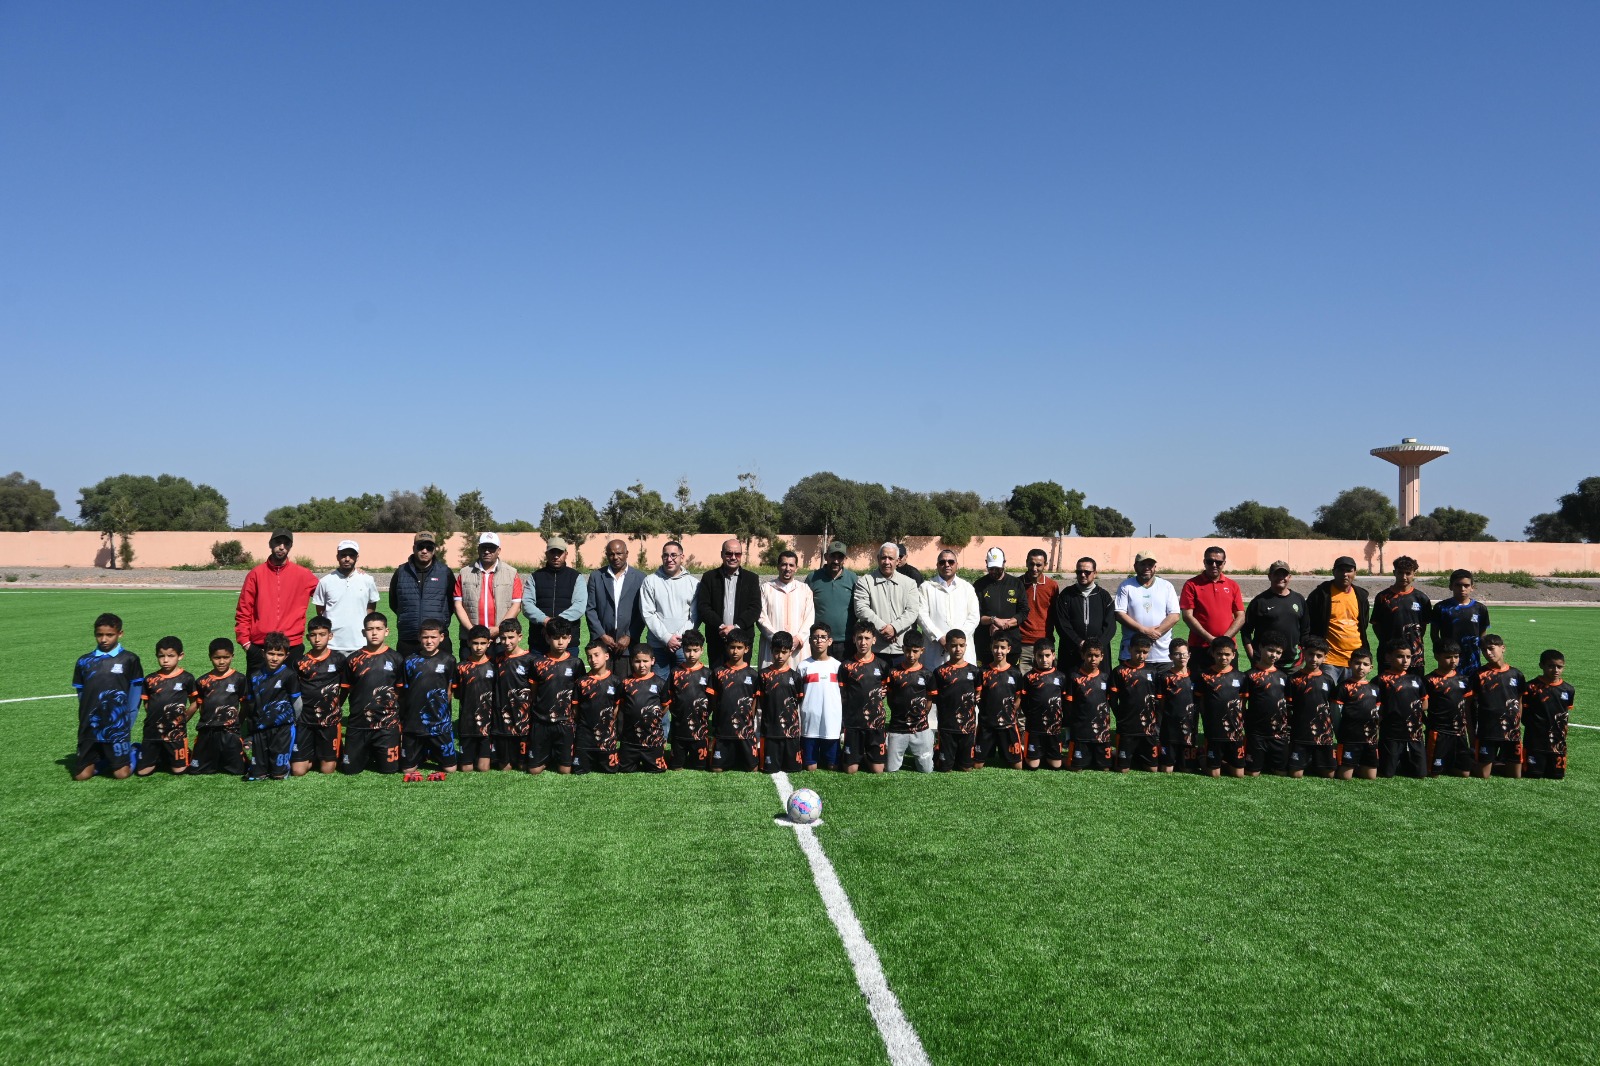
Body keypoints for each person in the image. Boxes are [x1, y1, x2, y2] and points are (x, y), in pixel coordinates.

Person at [235, 530, 318, 676]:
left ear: (290, 546)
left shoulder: (304, 574)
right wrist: (246, 643)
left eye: (286, 544)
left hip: (292, 646)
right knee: (257, 690)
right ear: (270, 544)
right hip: (260, 646)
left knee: (290, 689)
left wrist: (353, 574)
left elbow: (328, 592)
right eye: (278, 543)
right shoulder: (256, 574)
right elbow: (244, 609)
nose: (281, 547)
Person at [72, 612, 143, 781]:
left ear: (120, 634)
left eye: (109, 635)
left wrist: (128, 720)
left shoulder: (129, 659)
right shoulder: (84, 661)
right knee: (82, 776)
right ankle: (104, 759)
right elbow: (81, 695)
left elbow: (135, 695)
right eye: (99, 635)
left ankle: (134, 750)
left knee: (121, 774)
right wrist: (85, 717)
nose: (104, 639)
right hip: (90, 726)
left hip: (117, 726)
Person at [341, 612, 406, 776]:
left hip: (386, 725)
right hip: (358, 724)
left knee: (389, 770)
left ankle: (375, 750)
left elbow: (399, 691)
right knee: (349, 770)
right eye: (370, 629)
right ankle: (366, 751)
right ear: (364, 632)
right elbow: (347, 689)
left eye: (379, 628)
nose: (374, 633)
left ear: (386, 631)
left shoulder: (396, 658)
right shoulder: (353, 659)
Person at [400, 619, 459, 775]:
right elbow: (404, 692)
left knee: (451, 769)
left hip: (439, 723)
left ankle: (432, 751)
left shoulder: (449, 660)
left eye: (433, 637)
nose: (429, 641)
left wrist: (443, 713)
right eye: (425, 637)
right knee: (407, 770)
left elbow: (449, 691)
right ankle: (423, 752)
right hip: (414, 724)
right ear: (419, 637)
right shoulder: (409, 661)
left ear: (441, 637)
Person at [292, 616, 347, 776]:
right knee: (298, 771)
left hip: (329, 721)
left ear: (330, 636)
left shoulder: (339, 660)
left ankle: (324, 754)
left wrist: (336, 705)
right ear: (308, 637)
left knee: (327, 770)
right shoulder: (300, 662)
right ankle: (313, 754)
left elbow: (345, 688)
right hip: (305, 720)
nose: (317, 639)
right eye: (313, 635)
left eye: (322, 634)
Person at [242, 632, 301, 781]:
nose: (274, 658)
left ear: (286, 656)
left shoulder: (289, 675)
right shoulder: (254, 676)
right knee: (257, 775)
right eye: (271, 653)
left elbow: (297, 702)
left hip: (282, 728)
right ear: (263, 653)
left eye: (279, 654)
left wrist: (295, 722)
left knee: (278, 775)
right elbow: (250, 703)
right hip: (260, 728)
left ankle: (282, 768)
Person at [528, 616, 582, 775]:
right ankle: (547, 756)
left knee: (565, 771)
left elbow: (578, 692)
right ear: (547, 638)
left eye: (564, 638)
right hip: (542, 721)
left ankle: (555, 755)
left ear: (570, 639)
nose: (560, 642)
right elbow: (534, 691)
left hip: (564, 722)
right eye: (556, 638)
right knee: (534, 770)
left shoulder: (576, 663)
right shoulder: (537, 663)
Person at [697, 539, 762, 670]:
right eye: (729, 553)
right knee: (717, 677)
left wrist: (736, 628)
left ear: (741, 555)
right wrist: (721, 626)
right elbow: (703, 607)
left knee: (741, 678)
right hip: (717, 640)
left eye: (737, 554)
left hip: (743, 641)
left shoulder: (751, 578)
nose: (733, 557)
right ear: (722, 554)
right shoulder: (709, 577)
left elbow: (755, 608)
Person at [852, 542, 920, 668]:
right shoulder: (865, 581)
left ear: (897, 561)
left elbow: (912, 611)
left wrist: (894, 628)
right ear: (878, 559)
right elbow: (861, 609)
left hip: (902, 649)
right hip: (875, 648)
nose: (887, 562)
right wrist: (884, 629)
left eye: (891, 558)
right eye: (883, 557)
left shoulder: (909, 583)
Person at [1306, 556, 1371, 687]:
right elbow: (1308, 622)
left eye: (1349, 570)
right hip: (1329, 660)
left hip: (1355, 660)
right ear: (1333, 572)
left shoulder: (1361, 595)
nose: (1345, 574)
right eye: (1341, 570)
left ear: (1355, 573)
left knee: (1352, 696)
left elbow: (1363, 624)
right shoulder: (1321, 594)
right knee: (1326, 695)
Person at [457, 532, 526, 655]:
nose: (487, 551)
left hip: (501, 640)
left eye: (492, 548)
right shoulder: (464, 573)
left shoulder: (511, 573)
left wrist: (499, 629)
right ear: (478, 549)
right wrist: (474, 631)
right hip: (472, 639)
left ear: (499, 550)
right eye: (484, 547)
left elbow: (516, 606)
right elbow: (458, 605)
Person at [1179, 546, 1245, 674]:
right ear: (1204, 562)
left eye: (1218, 562)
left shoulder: (1232, 585)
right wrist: (1210, 639)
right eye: (1210, 561)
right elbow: (1187, 616)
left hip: (1227, 649)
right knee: (1199, 685)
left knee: (1229, 684)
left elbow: (1241, 616)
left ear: (1224, 563)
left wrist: (1223, 640)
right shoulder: (1191, 584)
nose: (1214, 565)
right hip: (1200, 648)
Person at [388, 531, 456, 656]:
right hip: (408, 639)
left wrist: (442, 619)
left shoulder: (445, 572)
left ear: (434, 550)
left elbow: (452, 603)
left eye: (429, 547)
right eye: (420, 547)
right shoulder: (401, 572)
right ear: (414, 548)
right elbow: (394, 603)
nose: (424, 551)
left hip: (437, 640)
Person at [641, 541, 700, 680]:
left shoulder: (694, 583)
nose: (669, 559)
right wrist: (666, 638)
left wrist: (678, 638)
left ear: (682, 557)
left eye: (674, 555)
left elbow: (695, 616)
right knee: (660, 687)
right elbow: (648, 613)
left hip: (684, 646)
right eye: (665, 555)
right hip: (657, 646)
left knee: (684, 686)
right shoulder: (650, 581)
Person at [136, 636, 194, 777]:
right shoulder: (150, 679)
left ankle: (186, 752)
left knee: (179, 771)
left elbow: (195, 702)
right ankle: (145, 751)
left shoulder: (187, 678)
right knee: (142, 772)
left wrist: (183, 718)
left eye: (170, 656)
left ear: (180, 656)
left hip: (175, 733)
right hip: (152, 732)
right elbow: (147, 703)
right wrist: (155, 719)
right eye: (161, 656)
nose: (165, 660)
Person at [1114, 553, 1182, 671]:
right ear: (1135, 566)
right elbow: (1119, 614)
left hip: (1162, 655)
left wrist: (1156, 633)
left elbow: (1174, 615)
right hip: (1132, 655)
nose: (1147, 568)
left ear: (1155, 567)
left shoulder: (1166, 586)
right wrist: (1144, 630)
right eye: (1143, 564)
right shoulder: (1126, 586)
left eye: (1150, 564)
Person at [312, 540, 380, 655]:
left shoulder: (367, 580)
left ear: (357, 557)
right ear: (337, 557)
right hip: (332, 644)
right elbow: (320, 611)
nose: (347, 559)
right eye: (343, 555)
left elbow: (371, 607)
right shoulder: (325, 581)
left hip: (360, 642)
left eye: (351, 555)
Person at [586, 539, 646, 670]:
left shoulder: (640, 578)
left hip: (628, 646)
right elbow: (590, 609)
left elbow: (642, 612)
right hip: (602, 645)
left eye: (619, 553)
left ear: (627, 553)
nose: (615, 557)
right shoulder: (596, 576)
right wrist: (602, 635)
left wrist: (630, 635)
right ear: (606, 555)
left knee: (625, 681)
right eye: (611, 554)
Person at [838, 621, 889, 774]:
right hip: (854, 723)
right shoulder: (846, 666)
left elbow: (885, 689)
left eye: (867, 638)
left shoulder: (882, 665)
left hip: (875, 723)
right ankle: (855, 755)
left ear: (874, 640)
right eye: (859, 638)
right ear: (854, 639)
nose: (863, 642)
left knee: (878, 770)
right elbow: (842, 694)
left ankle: (866, 755)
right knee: (850, 770)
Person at [191, 638, 246, 776]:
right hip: (207, 731)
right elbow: (200, 706)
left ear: (232, 656)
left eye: (226, 657)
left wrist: (237, 724)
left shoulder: (239, 679)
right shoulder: (202, 681)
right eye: (217, 658)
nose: (221, 661)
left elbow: (245, 706)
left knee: (239, 770)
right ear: (210, 657)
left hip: (230, 732)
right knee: (195, 769)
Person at [918, 549, 980, 670]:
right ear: (937, 565)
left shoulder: (967, 588)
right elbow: (921, 616)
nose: (947, 565)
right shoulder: (926, 587)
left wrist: (957, 640)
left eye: (951, 562)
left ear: (957, 565)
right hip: (935, 650)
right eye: (942, 562)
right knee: (935, 679)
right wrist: (939, 637)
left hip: (963, 651)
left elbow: (974, 617)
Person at [1239, 561, 1308, 670]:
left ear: (1289, 577)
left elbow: (1305, 631)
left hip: (1292, 664)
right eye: (1276, 574)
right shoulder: (1259, 601)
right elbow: (1245, 632)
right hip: (1265, 663)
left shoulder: (1298, 599)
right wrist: (1252, 656)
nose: (1281, 578)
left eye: (1284, 574)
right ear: (1269, 576)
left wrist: (1304, 653)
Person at [1471, 635, 1522, 779]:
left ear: (1503, 648)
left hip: (1511, 731)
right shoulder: (1478, 674)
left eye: (1491, 648)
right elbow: (1470, 704)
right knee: (1484, 775)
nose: (1488, 653)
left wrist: (1517, 723)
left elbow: (1519, 701)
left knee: (1516, 775)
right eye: (1484, 650)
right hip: (1488, 730)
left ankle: (1496, 763)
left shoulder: (1516, 674)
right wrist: (1471, 730)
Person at [1194, 638, 1247, 778]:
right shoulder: (1204, 676)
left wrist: (1239, 721)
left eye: (1227, 654)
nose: (1223, 657)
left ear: (1233, 655)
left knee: (1239, 774)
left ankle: (1222, 761)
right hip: (1214, 730)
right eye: (1219, 654)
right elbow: (1200, 701)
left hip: (1235, 730)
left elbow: (1242, 702)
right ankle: (1201, 756)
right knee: (1214, 774)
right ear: (1213, 653)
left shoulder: (1241, 676)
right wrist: (1207, 718)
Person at [1374, 641, 1428, 779]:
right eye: (1400, 656)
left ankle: (1404, 759)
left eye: (1408, 657)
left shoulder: (1416, 679)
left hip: (1414, 734)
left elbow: (1425, 703)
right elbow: (1376, 707)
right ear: (1388, 657)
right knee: (1387, 773)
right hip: (1392, 734)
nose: (1405, 661)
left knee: (1420, 774)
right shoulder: (1380, 680)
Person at [523, 536, 585, 654]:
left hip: (568, 644)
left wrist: (555, 623)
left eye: (559, 552)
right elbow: (527, 605)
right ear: (546, 554)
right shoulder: (535, 577)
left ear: (566, 554)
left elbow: (579, 606)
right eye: (552, 552)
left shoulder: (576, 577)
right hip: (539, 642)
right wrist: (545, 621)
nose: (556, 556)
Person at [1110, 635, 1162, 773]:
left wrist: (1156, 718)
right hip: (1127, 726)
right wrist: (1120, 716)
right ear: (1130, 649)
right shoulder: (1119, 671)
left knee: (1152, 769)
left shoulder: (1152, 671)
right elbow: (1113, 700)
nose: (1141, 655)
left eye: (1145, 652)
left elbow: (1158, 699)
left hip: (1148, 727)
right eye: (1138, 651)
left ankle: (1136, 755)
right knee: (1123, 770)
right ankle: (1115, 754)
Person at [710, 629, 760, 772]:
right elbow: (714, 700)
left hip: (745, 731)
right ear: (726, 648)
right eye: (732, 647)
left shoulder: (753, 675)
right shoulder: (718, 672)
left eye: (739, 647)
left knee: (753, 769)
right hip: (723, 730)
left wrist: (750, 719)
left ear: (746, 649)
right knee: (716, 769)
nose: (735, 651)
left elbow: (754, 701)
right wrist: (719, 716)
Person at [1286, 638, 1336, 779]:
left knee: (1330, 774)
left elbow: (1332, 707)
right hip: (1300, 733)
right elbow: (1288, 708)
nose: (1314, 659)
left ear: (1325, 657)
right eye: (1311, 654)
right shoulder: (1293, 678)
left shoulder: (1328, 680)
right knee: (1296, 774)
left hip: (1323, 734)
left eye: (1319, 656)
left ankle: (1315, 762)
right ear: (1304, 653)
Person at [973, 633, 1025, 770]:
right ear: (991, 648)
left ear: (1009, 649)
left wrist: (1011, 712)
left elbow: (1018, 697)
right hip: (986, 725)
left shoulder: (1015, 673)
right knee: (977, 765)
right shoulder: (983, 671)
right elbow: (978, 695)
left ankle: (1005, 752)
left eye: (1003, 647)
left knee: (1018, 766)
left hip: (1007, 725)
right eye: (996, 647)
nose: (999, 651)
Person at [1372, 556, 1431, 675]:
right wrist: (1387, 642)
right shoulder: (1382, 597)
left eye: (1408, 573)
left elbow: (1423, 626)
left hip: (1414, 655)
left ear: (1414, 574)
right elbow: (1376, 625)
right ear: (1394, 573)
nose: (1404, 577)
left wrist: (1413, 640)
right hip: (1389, 653)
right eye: (1400, 573)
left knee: (1415, 685)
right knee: (1387, 684)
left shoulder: (1421, 598)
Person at [884, 633, 935, 773]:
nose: (911, 655)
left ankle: (927, 744)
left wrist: (921, 715)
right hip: (897, 727)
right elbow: (890, 698)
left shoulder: (927, 674)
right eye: (907, 650)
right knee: (891, 769)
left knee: (926, 770)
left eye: (915, 651)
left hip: (920, 727)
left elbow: (929, 700)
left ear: (922, 651)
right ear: (902, 649)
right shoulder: (893, 672)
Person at [1054, 556, 1114, 673]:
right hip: (1071, 652)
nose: (1082, 575)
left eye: (1087, 572)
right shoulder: (1066, 595)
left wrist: (1096, 646)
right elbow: (1061, 623)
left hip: (1097, 653)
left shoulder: (1104, 596)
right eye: (1079, 572)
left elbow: (1110, 625)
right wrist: (1078, 642)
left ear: (1095, 573)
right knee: (1071, 682)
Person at [930, 630, 979, 772]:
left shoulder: (974, 671)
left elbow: (978, 692)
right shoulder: (939, 672)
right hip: (947, 726)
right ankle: (937, 751)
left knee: (966, 768)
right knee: (945, 768)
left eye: (961, 645)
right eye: (953, 645)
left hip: (967, 726)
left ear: (966, 646)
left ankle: (960, 756)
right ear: (946, 647)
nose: (958, 649)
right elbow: (934, 697)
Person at [758, 632, 807, 774]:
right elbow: (760, 701)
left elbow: (798, 700)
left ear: (790, 652)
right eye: (777, 651)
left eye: (784, 652)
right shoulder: (763, 675)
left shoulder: (795, 677)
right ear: (771, 650)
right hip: (770, 732)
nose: (780, 656)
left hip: (791, 733)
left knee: (793, 769)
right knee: (769, 769)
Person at [1242, 637, 1290, 777]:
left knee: (1281, 772)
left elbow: (1287, 704)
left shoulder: (1284, 676)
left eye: (1278, 652)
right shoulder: (1249, 675)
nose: (1274, 655)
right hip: (1257, 733)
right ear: (1260, 648)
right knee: (1253, 773)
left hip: (1279, 733)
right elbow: (1242, 704)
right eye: (1270, 650)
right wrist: (1244, 723)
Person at [798, 623, 844, 771]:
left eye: (823, 637)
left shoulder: (838, 666)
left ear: (830, 641)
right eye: (815, 637)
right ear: (810, 641)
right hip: (810, 722)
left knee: (833, 766)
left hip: (831, 723)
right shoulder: (803, 666)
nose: (819, 641)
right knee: (810, 767)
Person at [758, 550, 815, 667]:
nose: (787, 568)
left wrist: (798, 638)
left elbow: (810, 618)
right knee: (770, 677)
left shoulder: (804, 589)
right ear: (778, 566)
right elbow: (761, 617)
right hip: (772, 647)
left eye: (791, 565)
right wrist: (777, 639)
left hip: (797, 649)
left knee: (799, 676)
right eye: (784, 564)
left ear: (796, 568)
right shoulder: (766, 588)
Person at [1424, 641, 1473, 778]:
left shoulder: (1464, 679)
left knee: (1465, 773)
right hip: (1439, 732)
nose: (1453, 661)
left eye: (1456, 657)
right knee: (1433, 773)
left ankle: (1449, 764)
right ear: (1437, 656)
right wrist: (1428, 723)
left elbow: (1467, 706)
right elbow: (1421, 707)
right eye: (1448, 657)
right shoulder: (1429, 680)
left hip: (1459, 732)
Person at [667, 630, 714, 770]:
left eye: (695, 650)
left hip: (700, 731)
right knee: (675, 767)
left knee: (700, 767)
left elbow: (712, 700)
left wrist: (705, 713)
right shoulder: (675, 672)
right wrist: (676, 712)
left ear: (702, 650)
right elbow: (669, 697)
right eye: (688, 650)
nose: (691, 654)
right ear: (683, 649)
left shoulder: (707, 673)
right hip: (679, 729)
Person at [490, 619, 533, 771]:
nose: (507, 642)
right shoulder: (496, 659)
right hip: (502, 719)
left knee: (522, 766)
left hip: (522, 719)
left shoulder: (530, 660)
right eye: (503, 638)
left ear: (520, 637)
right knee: (504, 767)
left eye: (511, 637)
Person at [455, 626, 499, 773]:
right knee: (466, 769)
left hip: (487, 726)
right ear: (468, 642)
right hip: (466, 724)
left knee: (483, 768)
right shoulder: (461, 667)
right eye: (475, 643)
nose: (479, 647)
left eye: (482, 643)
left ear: (489, 643)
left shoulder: (494, 666)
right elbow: (457, 694)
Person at [1523, 649, 1573, 781]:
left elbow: (1565, 712)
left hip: (1558, 743)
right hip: (1535, 742)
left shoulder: (1568, 689)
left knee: (1556, 776)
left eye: (1559, 667)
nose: (1556, 670)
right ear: (1541, 665)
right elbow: (1524, 713)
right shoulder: (1530, 687)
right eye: (1551, 666)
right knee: (1533, 774)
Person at [572, 642, 621, 775]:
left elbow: (616, 706)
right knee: (579, 771)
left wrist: (609, 723)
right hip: (585, 736)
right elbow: (576, 710)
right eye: (589, 656)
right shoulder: (581, 682)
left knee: (611, 770)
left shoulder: (616, 681)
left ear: (606, 656)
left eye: (596, 655)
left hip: (606, 737)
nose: (593, 659)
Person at [1065, 641, 1114, 772]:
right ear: (1083, 655)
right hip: (1080, 732)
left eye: (1096, 655)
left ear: (1102, 656)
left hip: (1101, 732)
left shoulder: (1106, 678)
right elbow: (1069, 705)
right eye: (1089, 655)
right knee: (1076, 768)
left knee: (1105, 768)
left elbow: (1110, 702)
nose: (1093, 659)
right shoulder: (1074, 677)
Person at [618, 645, 668, 773]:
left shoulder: (660, 683)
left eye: (645, 661)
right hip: (630, 741)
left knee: (657, 770)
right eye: (637, 661)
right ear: (631, 661)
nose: (641, 665)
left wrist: (654, 717)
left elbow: (665, 705)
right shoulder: (625, 683)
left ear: (652, 661)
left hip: (652, 740)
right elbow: (621, 705)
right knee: (624, 769)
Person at [974, 547, 1027, 667]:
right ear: (986, 563)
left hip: (1011, 645)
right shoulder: (979, 585)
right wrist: (992, 620)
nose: (994, 571)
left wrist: (1006, 624)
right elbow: (975, 614)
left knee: (1011, 676)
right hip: (986, 645)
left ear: (1004, 563)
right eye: (991, 568)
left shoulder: (1016, 584)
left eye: (997, 568)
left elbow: (1024, 611)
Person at [1432, 570, 1492, 675]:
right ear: (1451, 586)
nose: (1462, 589)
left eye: (1466, 585)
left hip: (1472, 658)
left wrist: (1483, 650)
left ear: (1472, 587)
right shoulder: (1441, 607)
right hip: (1449, 658)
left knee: (1472, 684)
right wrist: (1439, 652)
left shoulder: (1480, 608)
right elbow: (1434, 634)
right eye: (1458, 585)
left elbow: (1482, 634)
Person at [806, 541, 858, 660]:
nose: (836, 561)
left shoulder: (853, 578)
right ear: (826, 557)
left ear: (845, 559)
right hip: (820, 641)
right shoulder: (813, 578)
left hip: (846, 641)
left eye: (840, 557)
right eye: (832, 556)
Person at [1334, 649, 1379, 781]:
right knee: (1345, 777)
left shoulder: (1375, 688)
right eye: (1357, 663)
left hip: (1369, 738)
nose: (1361, 667)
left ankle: (1358, 765)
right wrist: (1339, 733)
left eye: (1365, 664)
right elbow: (1336, 713)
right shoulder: (1343, 687)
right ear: (1350, 664)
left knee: (1371, 777)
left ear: (1371, 668)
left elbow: (1377, 714)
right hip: (1350, 738)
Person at [1020, 640, 1066, 770]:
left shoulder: (1061, 677)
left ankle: (1046, 753)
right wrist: (1032, 716)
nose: (1044, 659)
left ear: (1053, 655)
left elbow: (1064, 701)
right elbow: (1024, 702)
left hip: (1054, 727)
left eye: (1047, 655)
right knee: (1032, 766)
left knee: (1056, 766)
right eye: (1040, 656)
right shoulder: (1029, 677)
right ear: (1034, 656)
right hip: (1034, 727)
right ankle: (1026, 751)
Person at [1159, 639, 1197, 774]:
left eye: (1184, 654)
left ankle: (1201, 755)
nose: (1182, 657)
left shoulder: (1195, 677)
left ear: (1189, 655)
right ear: (1170, 657)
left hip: (1189, 729)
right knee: (1167, 769)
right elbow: (1162, 705)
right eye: (1177, 654)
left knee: (1188, 769)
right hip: (1170, 729)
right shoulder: (1165, 677)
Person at [1017, 549, 1059, 673]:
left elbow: (1055, 614)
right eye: (1031, 564)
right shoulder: (1017, 584)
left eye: (1039, 565)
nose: (1034, 568)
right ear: (1026, 563)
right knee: (1024, 681)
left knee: (1045, 680)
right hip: (1023, 643)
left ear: (1045, 565)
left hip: (1045, 643)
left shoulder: (1052, 586)